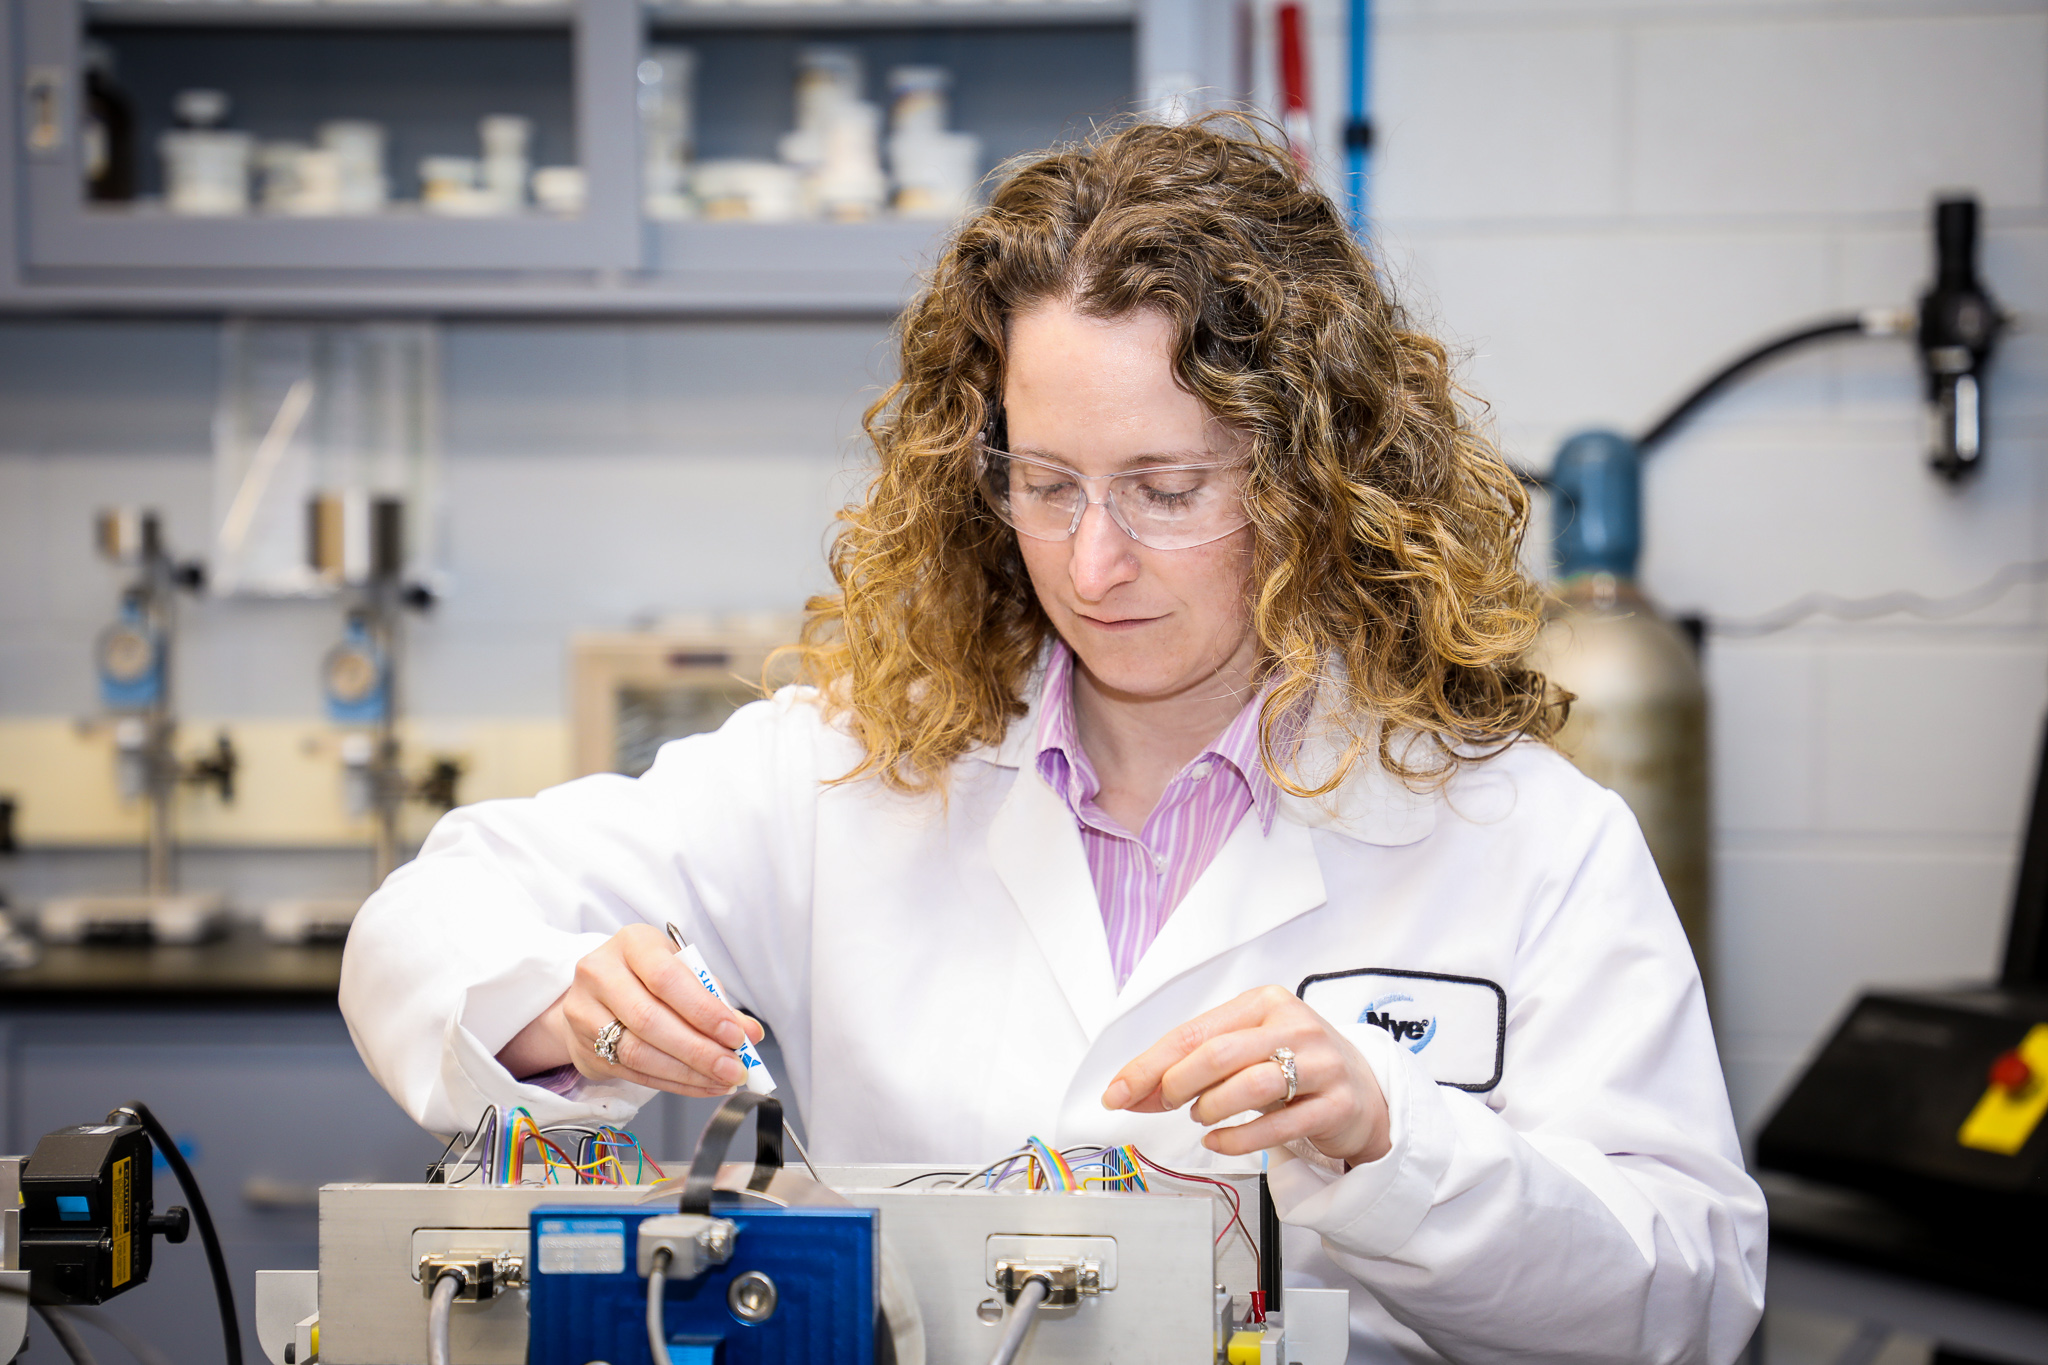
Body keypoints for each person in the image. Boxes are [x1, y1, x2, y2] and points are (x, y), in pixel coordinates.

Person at [340, 118, 1765, 1363]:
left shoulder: (1522, 834)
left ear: (1316, 474)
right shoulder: (852, 774)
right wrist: (554, 1001)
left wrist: (1395, 1136)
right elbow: (427, 920)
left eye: (1165, 486)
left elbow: (1688, 1301)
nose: (1092, 564)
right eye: (1046, 482)